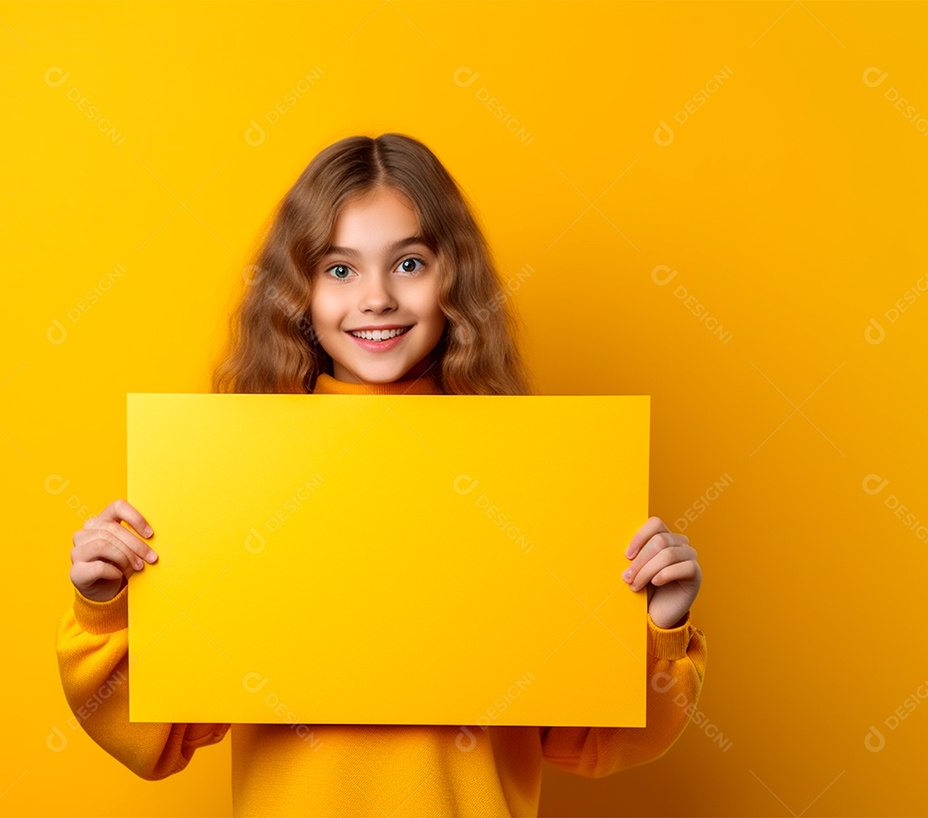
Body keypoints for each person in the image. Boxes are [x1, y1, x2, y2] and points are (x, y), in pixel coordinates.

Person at [55, 133, 707, 817]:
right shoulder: (236, 473)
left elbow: (591, 738)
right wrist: (105, 607)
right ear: (297, 292)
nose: (376, 299)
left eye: (409, 263)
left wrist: (660, 624)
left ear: (453, 277)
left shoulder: (530, 473)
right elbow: (159, 738)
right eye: (340, 270)